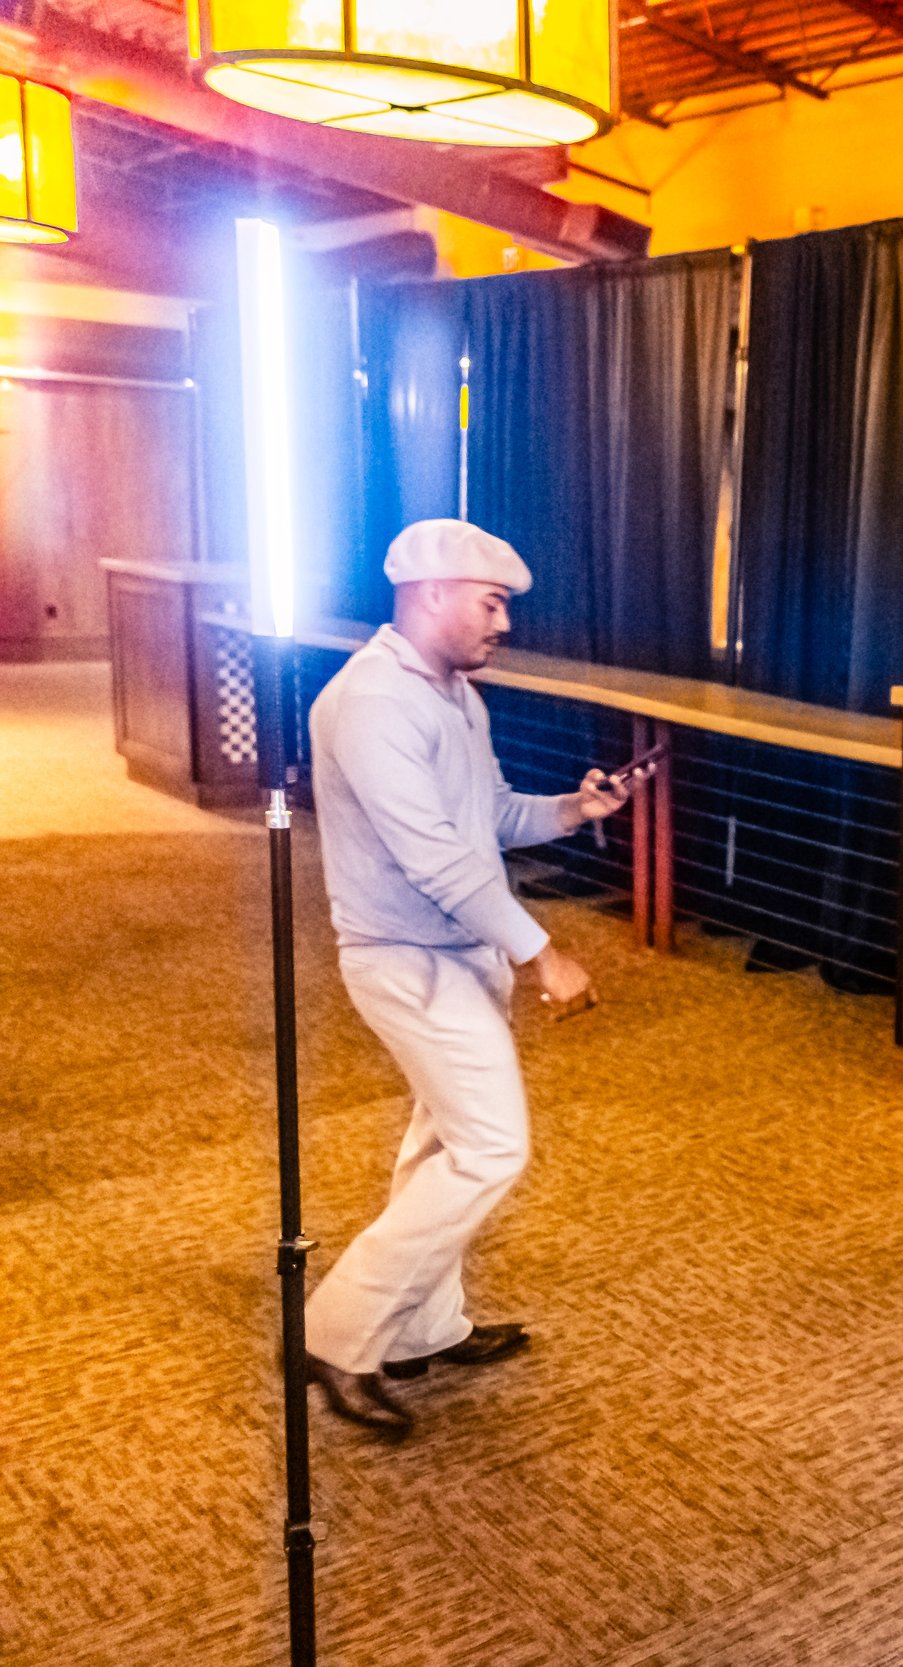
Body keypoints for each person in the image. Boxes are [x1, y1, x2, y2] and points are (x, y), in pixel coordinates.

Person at [301, 519, 636, 1436]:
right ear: (432, 594)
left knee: (445, 1142)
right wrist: (544, 954)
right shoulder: (370, 703)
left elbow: (487, 815)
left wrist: (575, 806)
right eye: (491, 604)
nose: (503, 623)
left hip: (459, 951)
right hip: (405, 957)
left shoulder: (454, 696)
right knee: (493, 1146)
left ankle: (424, 1328)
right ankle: (335, 1331)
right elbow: (439, 863)